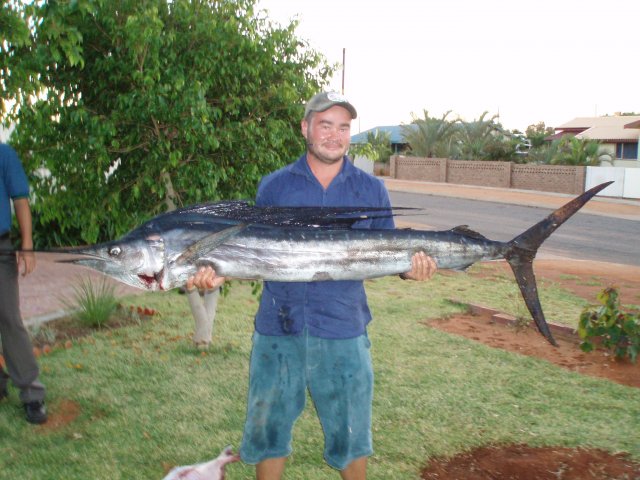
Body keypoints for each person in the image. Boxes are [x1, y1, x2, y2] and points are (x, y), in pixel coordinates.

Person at [190, 92, 437, 479]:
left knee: (351, 435)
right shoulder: (273, 187)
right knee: (269, 431)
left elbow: (391, 252)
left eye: (343, 127)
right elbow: (257, 253)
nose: (335, 135)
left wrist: (411, 269)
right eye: (325, 125)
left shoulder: (372, 190)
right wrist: (217, 270)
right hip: (277, 330)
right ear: (305, 128)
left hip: (343, 328)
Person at [0, 143, 47, 424]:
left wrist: (27, 244)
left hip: (1, 247)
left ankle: (32, 393)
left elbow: (20, 199)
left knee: (8, 318)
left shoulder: (4, 154)